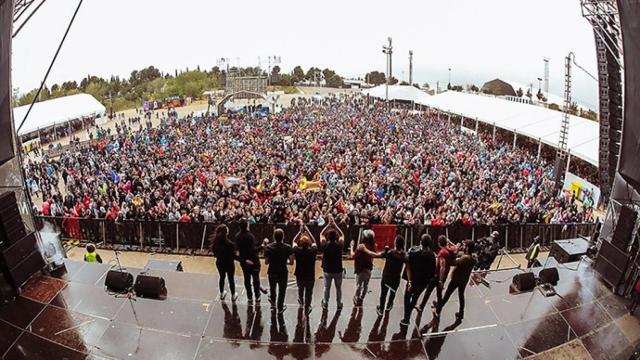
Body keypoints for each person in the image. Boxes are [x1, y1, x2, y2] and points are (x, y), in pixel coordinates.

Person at [435, 240, 477, 321]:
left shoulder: (465, 258)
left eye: (465, 246)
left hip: (456, 279)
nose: (463, 247)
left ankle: (438, 310)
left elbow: (453, 262)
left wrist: (456, 251)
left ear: (468, 248)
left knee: (447, 294)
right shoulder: (472, 258)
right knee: (461, 296)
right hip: (464, 280)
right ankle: (461, 313)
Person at [401, 234, 437, 326]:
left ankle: (406, 317)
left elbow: (407, 262)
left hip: (412, 280)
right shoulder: (432, 255)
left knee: (407, 297)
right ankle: (407, 315)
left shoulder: (413, 251)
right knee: (415, 298)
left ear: (421, 242)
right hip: (423, 282)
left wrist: (409, 281)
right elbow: (433, 271)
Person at [417, 235, 458, 313]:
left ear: (439, 243)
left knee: (428, 291)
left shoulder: (442, 252)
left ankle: (421, 306)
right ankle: (438, 310)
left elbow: (442, 267)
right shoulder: (449, 250)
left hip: (437, 276)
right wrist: (449, 242)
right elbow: (456, 248)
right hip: (444, 275)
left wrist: (440, 280)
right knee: (439, 294)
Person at [264, 228, 293, 314]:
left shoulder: (268, 247)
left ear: (273, 237)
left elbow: (266, 262)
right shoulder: (288, 247)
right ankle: (280, 308)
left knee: (272, 289)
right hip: (283, 272)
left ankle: (273, 305)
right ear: (283, 237)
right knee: (282, 290)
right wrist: (285, 261)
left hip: (272, 271)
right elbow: (291, 262)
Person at [292, 221, 318, 316]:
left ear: (300, 243)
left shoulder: (297, 251)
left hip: (299, 275)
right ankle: (307, 307)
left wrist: (300, 231)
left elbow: (294, 241)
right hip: (310, 275)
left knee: (300, 289)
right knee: (309, 292)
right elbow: (314, 241)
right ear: (309, 243)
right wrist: (308, 230)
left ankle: (301, 300)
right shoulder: (313, 251)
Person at [320, 216, 346, 310]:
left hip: (327, 270)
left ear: (328, 237)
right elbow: (342, 234)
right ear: (336, 237)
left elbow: (321, 234)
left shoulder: (324, 245)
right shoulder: (340, 245)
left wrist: (328, 225)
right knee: (338, 288)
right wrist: (334, 225)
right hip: (338, 270)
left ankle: (325, 302)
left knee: (327, 288)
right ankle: (339, 303)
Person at [377, 235, 407, 316]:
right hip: (395, 279)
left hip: (386, 278)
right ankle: (389, 305)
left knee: (383, 294)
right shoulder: (404, 256)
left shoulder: (390, 253)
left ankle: (381, 309)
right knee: (392, 293)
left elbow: (378, 255)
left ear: (395, 243)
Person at [235, 221, 264, 302]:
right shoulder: (250, 236)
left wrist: (244, 260)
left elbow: (238, 250)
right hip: (254, 261)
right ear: (247, 226)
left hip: (244, 262)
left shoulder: (237, 236)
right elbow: (253, 250)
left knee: (247, 279)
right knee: (256, 279)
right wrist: (262, 246)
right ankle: (257, 296)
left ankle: (249, 296)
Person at [353, 229, 383, 306]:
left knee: (358, 285)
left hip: (360, 269)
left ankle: (356, 297)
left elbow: (353, 255)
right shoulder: (373, 246)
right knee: (365, 285)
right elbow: (375, 255)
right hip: (368, 269)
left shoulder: (361, 246)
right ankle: (361, 298)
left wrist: (351, 246)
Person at [211, 225, 238, 301]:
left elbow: (215, 254)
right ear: (226, 232)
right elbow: (234, 256)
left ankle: (222, 293)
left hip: (220, 262)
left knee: (222, 277)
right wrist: (243, 260)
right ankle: (233, 295)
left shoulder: (216, 243)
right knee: (231, 278)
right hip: (229, 263)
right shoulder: (230, 244)